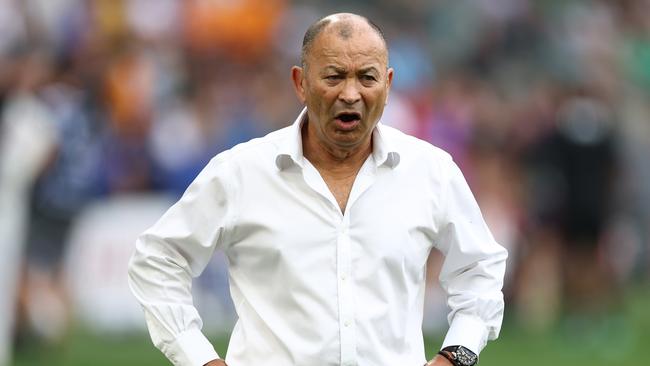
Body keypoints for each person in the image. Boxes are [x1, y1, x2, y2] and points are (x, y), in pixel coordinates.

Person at [128, 13, 507, 366]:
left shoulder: (430, 171)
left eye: (367, 77)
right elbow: (156, 260)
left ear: (388, 85)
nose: (350, 93)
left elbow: (480, 267)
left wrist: (457, 355)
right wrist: (198, 358)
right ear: (300, 83)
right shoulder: (241, 172)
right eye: (334, 76)